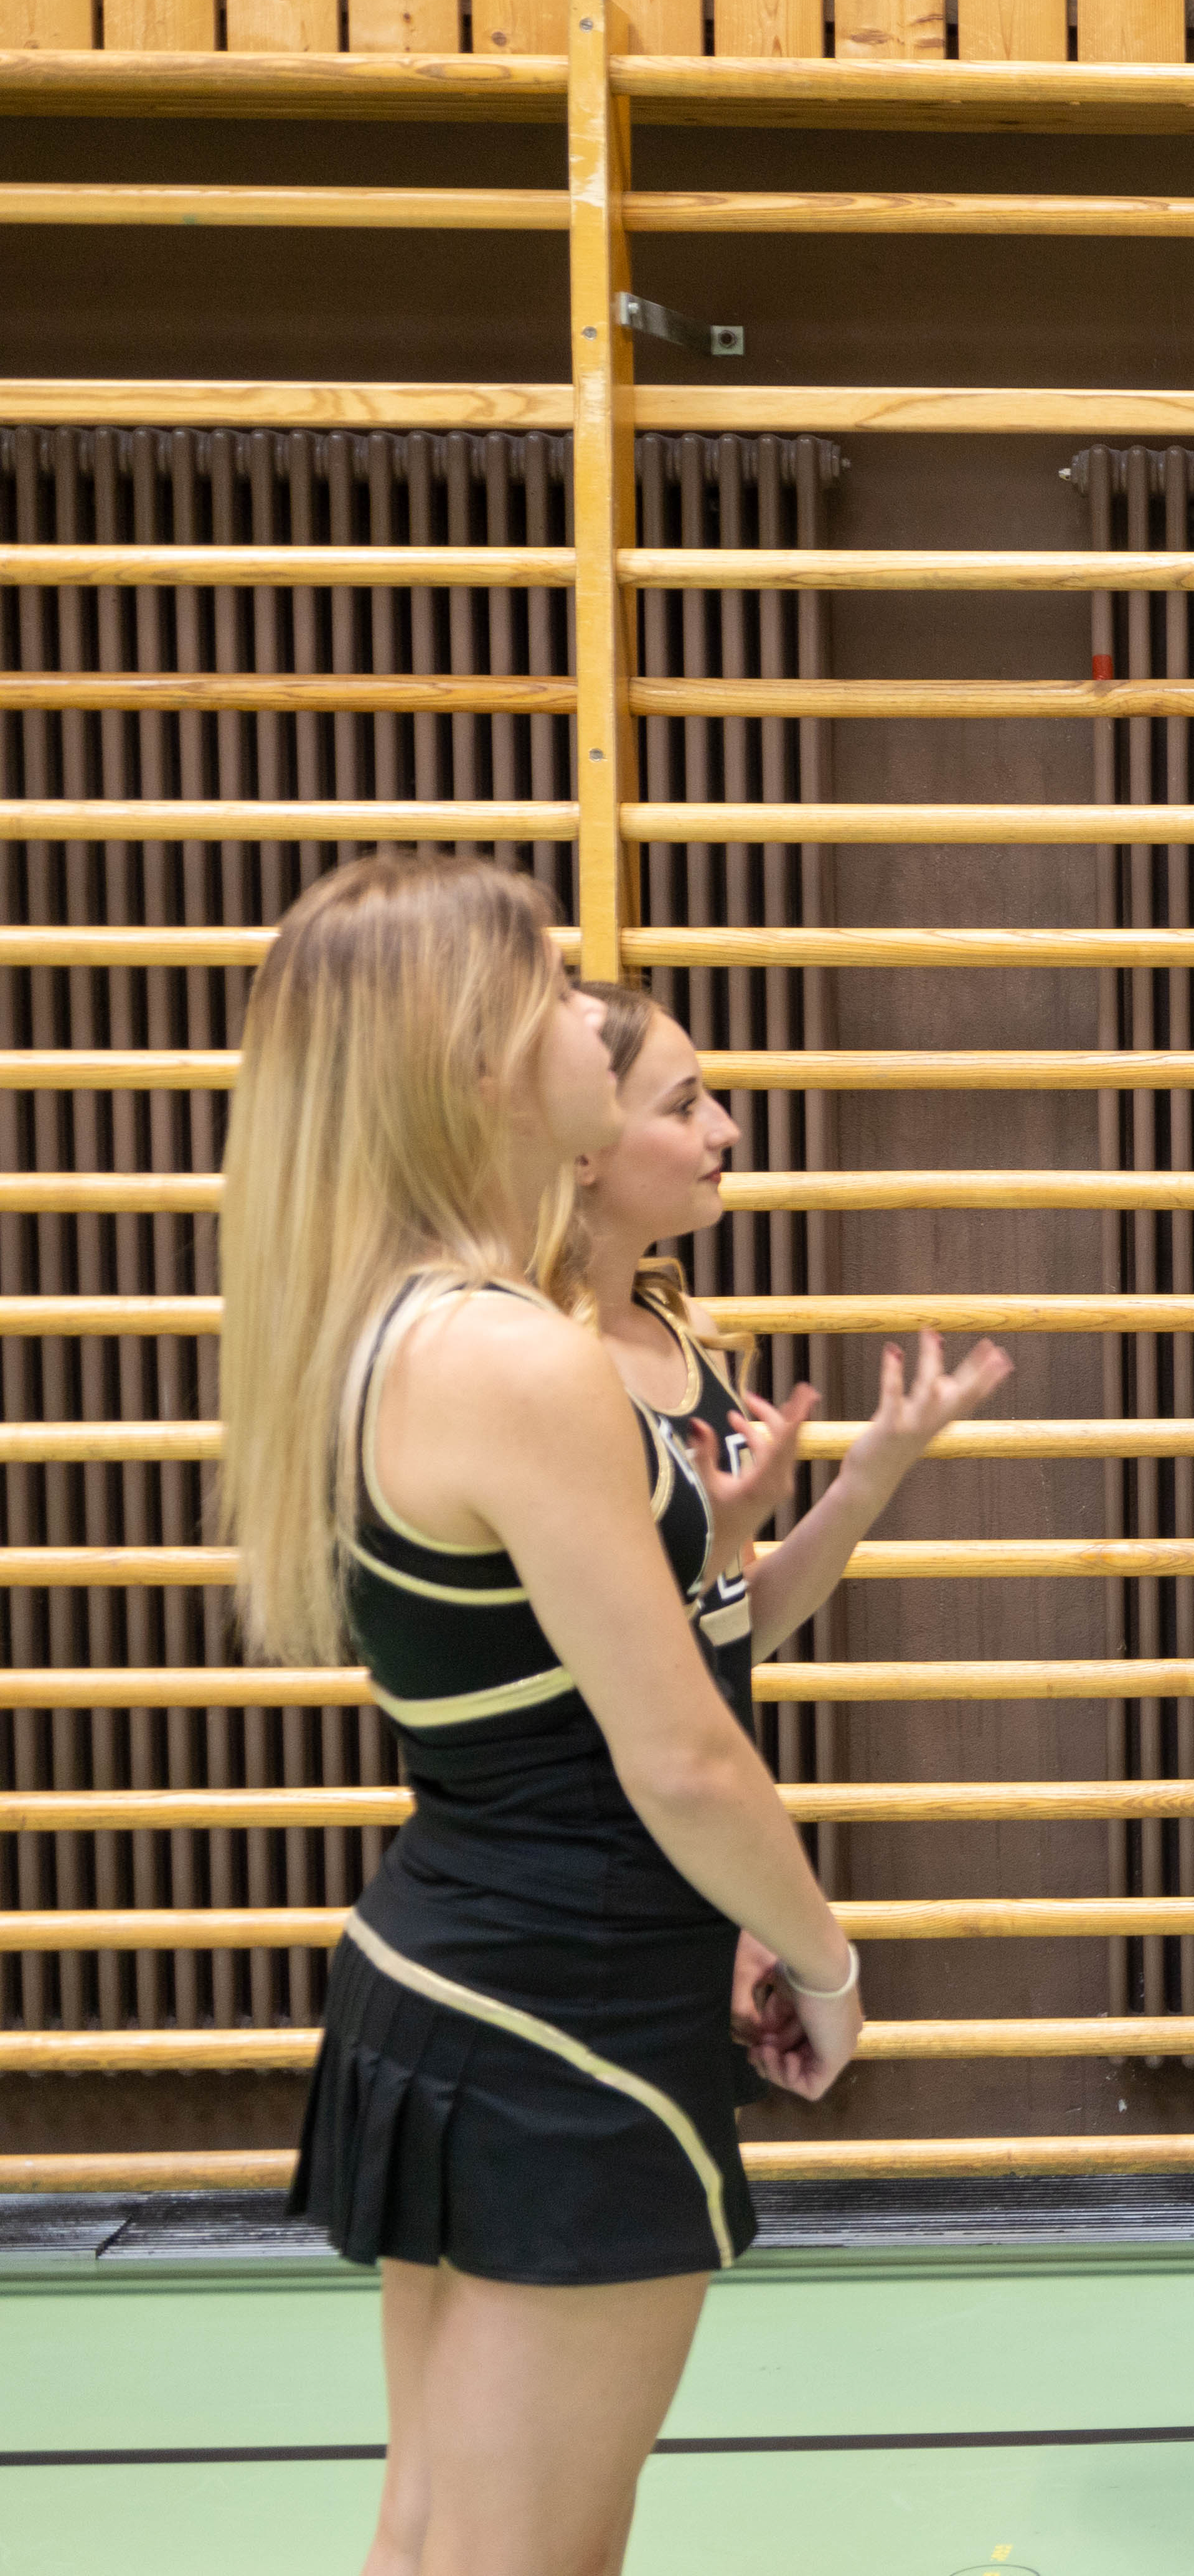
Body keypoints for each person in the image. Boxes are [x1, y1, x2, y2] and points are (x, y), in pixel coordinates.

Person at [225, 859, 862, 2576]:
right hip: (559, 2013)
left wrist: (738, 1538)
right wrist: (820, 1961)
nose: (594, 1013)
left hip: (462, 1970)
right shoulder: (514, 1354)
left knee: (434, 2541)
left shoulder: (403, 1324)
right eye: (555, 983)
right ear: (473, 1060)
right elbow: (680, 1756)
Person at [540, 981, 1010, 2049]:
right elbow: (599, 1681)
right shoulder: (541, 1370)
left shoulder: (681, 1327)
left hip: (684, 1873)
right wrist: (817, 1956)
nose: (725, 1130)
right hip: (580, 1883)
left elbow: (722, 1634)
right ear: (580, 1146)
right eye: (683, 1104)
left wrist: (867, 1478)